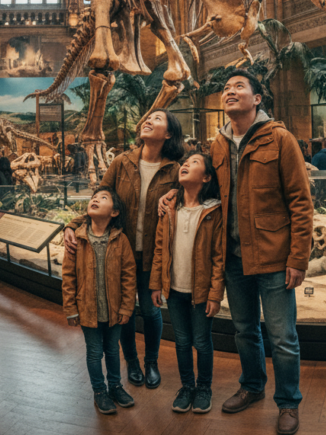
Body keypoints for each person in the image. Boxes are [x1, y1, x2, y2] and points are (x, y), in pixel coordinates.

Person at [161, 69, 312, 435]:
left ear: (257, 98)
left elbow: (300, 202)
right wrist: (173, 193)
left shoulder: (280, 139)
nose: (230, 91)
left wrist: (298, 258)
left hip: (274, 258)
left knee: (282, 336)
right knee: (245, 330)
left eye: (238, 87)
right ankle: (252, 386)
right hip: (233, 258)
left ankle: (288, 402)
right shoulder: (217, 145)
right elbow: (203, 185)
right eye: (226, 88)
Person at [63, 110, 184, 390]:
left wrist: (177, 192)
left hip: (154, 256)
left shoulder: (175, 170)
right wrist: (73, 224)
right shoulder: (122, 162)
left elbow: (192, 194)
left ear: (168, 133)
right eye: (147, 118)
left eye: (157, 119)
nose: (148, 120)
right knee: (124, 310)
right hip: (120, 253)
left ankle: (151, 361)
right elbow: (102, 194)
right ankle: (131, 360)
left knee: (152, 311)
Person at [149, 151, 224, 414]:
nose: (185, 165)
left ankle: (204, 387)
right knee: (181, 341)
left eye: (194, 163)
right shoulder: (169, 207)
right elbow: (160, 249)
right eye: (185, 162)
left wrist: (215, 295)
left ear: (206, 177)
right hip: (175, 290)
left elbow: (218, 257)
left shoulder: (214, 210)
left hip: (201, 292)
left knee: (202, 341)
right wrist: (156, 284)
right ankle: (187, 387)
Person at [62, 187, 137, 415]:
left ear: (114, 212)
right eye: (94, 197)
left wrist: (126, 306)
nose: (95, 199)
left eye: (103, 198)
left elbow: (128, 275)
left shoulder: (120, 239)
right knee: (94, 352)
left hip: (114, 310)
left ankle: (115, 386)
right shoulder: (78, 239)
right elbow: (68, 275)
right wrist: (71, 309)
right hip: (87, 310)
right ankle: (99, 391)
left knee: (113, 350)